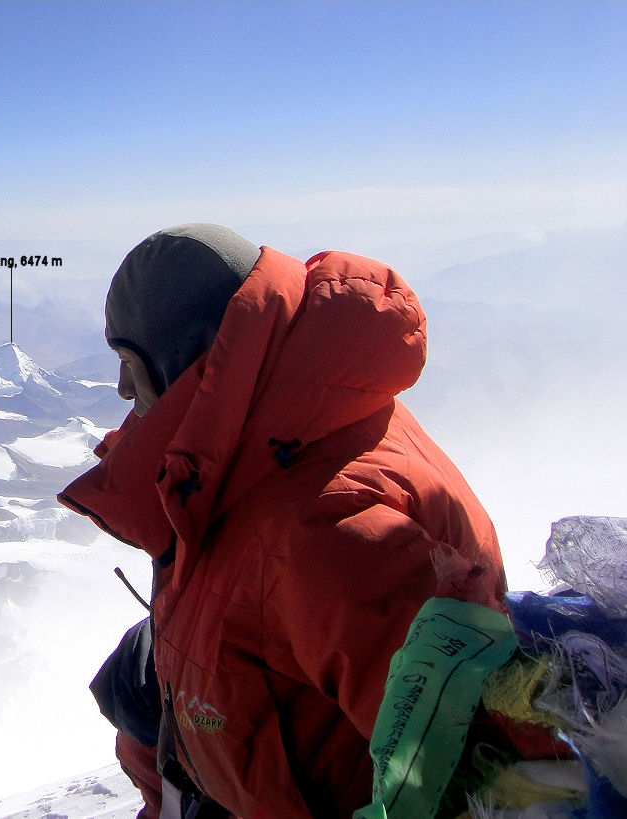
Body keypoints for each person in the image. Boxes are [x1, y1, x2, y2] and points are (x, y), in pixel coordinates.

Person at [58, 224, 511, 819]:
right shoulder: (282, 430)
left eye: (127, 360)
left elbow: (472, 779)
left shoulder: (327, 529)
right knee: (136, 677)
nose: (120, 388)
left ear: (188, 356)